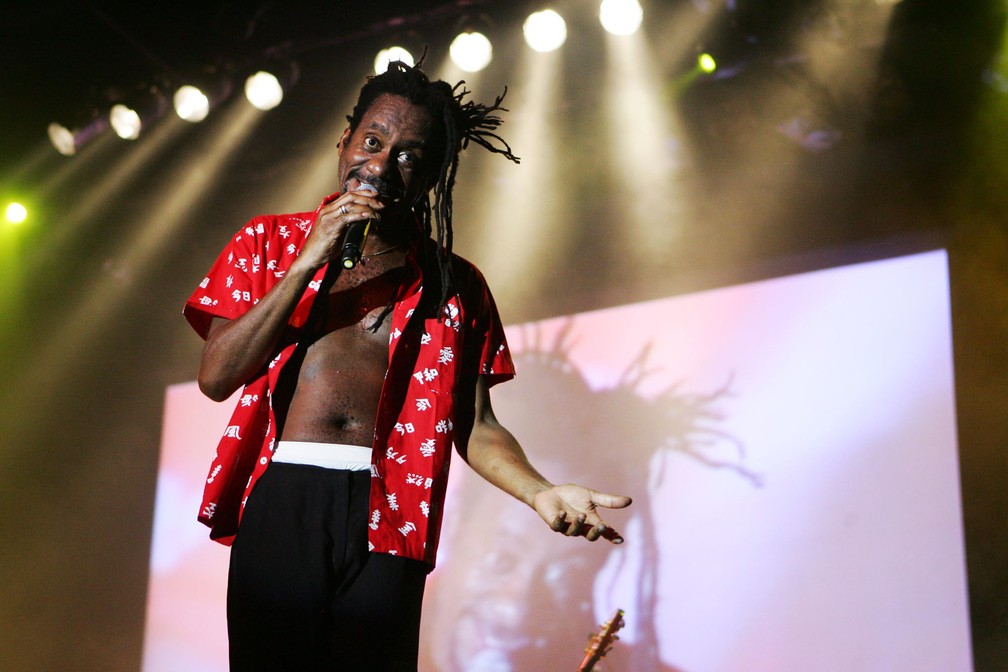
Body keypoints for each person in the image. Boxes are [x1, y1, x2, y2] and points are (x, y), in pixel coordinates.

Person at [183, 60, 632, 671]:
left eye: (408, 155)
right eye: (373, 141)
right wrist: (305, 264)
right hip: (285, 495)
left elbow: (474, 425)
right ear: (344, 142)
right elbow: (215, 377)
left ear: (429, 177)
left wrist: (541, 491)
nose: (381, 163)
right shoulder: (268, 242)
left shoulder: (458, 286)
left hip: (391, 509)